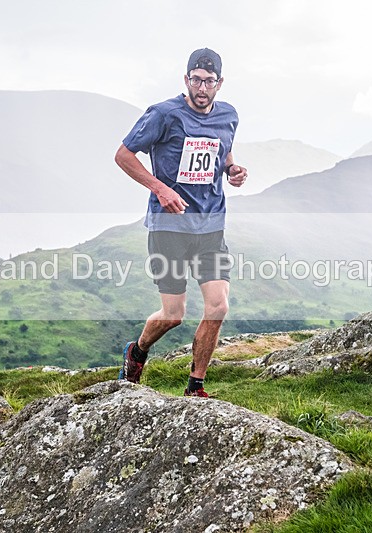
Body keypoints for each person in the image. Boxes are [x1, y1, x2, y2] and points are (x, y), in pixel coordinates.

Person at [114, 47, 248, 397]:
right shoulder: (163, 114)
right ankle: (138, 351)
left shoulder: (229, 115)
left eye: (209, 82)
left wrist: (231, 169)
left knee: (218, 306)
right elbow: (123, 154)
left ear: (220, 83)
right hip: (169, 226)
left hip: (210, 225)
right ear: (186, 80)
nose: (202, 88)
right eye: (196, 80)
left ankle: (195, 386)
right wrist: (159, 188)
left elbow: (223, 151)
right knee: (173, 314)